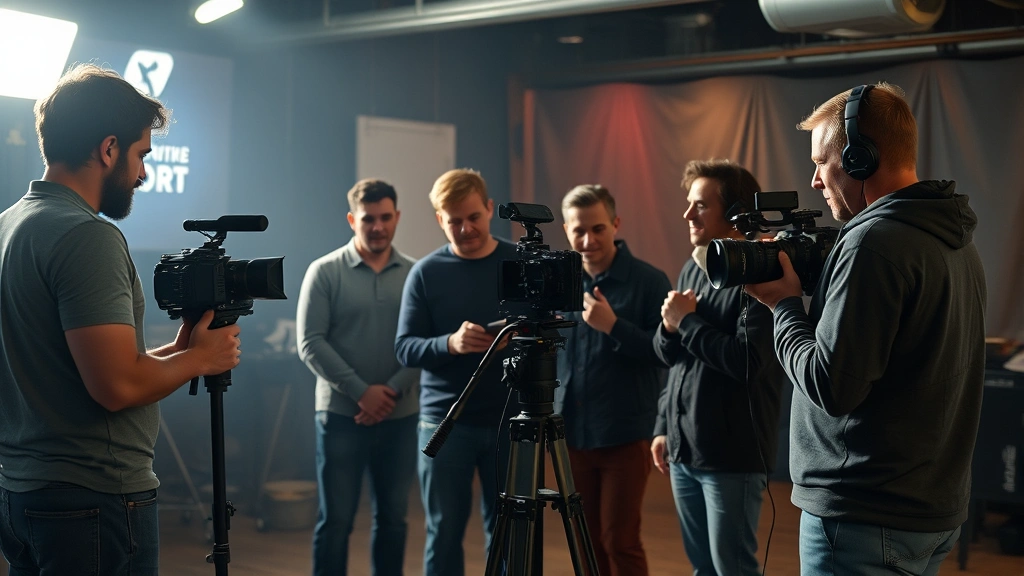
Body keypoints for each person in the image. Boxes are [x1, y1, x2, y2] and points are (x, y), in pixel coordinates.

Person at [0, 64, 242, 575]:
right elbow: (114, 386)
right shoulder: (87, 236)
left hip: (25, 493)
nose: (143, 174)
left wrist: (176, 354)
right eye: (140, 156)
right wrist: (202, 358)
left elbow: (68, 365)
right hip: (92, 498)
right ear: (108, 149)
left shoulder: (10, 225)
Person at [745, 83, 986, 575]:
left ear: (859, 159)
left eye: (820, 162)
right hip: (928, 509)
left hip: (864, 517)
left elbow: (831, 386)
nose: (814, 180)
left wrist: (783, 305)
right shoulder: (953, 238)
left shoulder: (873, 244)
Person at [650, 159, 783, 576]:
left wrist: (686, 322)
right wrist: (662, 426)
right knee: (702, 568)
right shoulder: (695, 264)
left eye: (701, 205)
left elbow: (748, 363)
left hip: (732, 456)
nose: (688, 214)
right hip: (684, 449)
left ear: (735, 213)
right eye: (689, 204)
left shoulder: (761, 270)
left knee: (733, 569)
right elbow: (670, 356)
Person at [394, 169, 518, 576]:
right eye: (453, 221)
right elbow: (405, 348)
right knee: (444, 531)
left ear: (488, 209)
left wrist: (513, 339)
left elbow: (547, 327)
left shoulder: (517, 263)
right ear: (439, 220)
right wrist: (451, 343)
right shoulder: (426, 272)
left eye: (473, 217)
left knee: (507, 532)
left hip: (509, 418)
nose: (465, 229)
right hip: (445, 422)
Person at [297, 179, 419, 576]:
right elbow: (310, 343)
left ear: (397, 217)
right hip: (340, 418)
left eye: (386, 217)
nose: (378, 226)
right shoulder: (324, 271)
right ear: (353, 219)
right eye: (369, 219)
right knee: (335, 523)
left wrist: (390, 394)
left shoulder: (417, 274)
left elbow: (425, 343)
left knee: (394, 522)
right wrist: (361, 392)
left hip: (401, 418)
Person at [555, 184, 671, 576]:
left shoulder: (650, 282)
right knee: (585, 540)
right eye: (578, 230)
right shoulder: (561, 284)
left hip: (625, 433)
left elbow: (664, 352)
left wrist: (614, 327)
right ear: (567, 231)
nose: (588, 240)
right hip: (572, 435)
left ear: (615, 224)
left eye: (598, 229)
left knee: (619, 541)